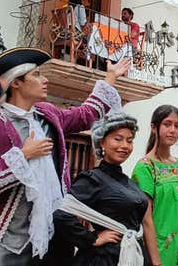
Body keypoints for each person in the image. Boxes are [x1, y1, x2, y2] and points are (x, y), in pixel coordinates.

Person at [0, 47, 128, 266]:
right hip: (7, 245)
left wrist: (111, 76)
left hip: (54, 244)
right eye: (37, 75)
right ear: (16, 82)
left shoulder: (48, 114)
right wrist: (22, 156)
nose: (45, 79)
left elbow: (85, 114)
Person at [54, 111, 158, 266]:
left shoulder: (129, 183)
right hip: (103, 259)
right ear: (102, 142)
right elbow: (61, 214)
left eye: (129, 141)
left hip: (132, 254)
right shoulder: (92, 178)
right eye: (118, 139)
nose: (124, 146)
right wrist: (92, 238)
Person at [132, 105, 178, 266]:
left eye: (177, 126)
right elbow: (146, 218)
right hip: (160, 249)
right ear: (154, 127)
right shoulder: (145, 168)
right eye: (167, 124)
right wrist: (156, 262)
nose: (173, 130)